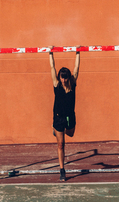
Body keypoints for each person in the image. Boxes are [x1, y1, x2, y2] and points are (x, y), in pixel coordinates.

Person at [49, 46, 80, 182]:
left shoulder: (72, 84)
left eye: (65, 78)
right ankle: (62, 170)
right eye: (61, 78)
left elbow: (76, 68)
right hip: (58, 118)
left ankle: (58, 132)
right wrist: (50, 53)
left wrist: (78, 53)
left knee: (71, 133)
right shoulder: (56, 85)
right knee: (61, 145)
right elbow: (52, 68)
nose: (63, 80)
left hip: (70, 117)